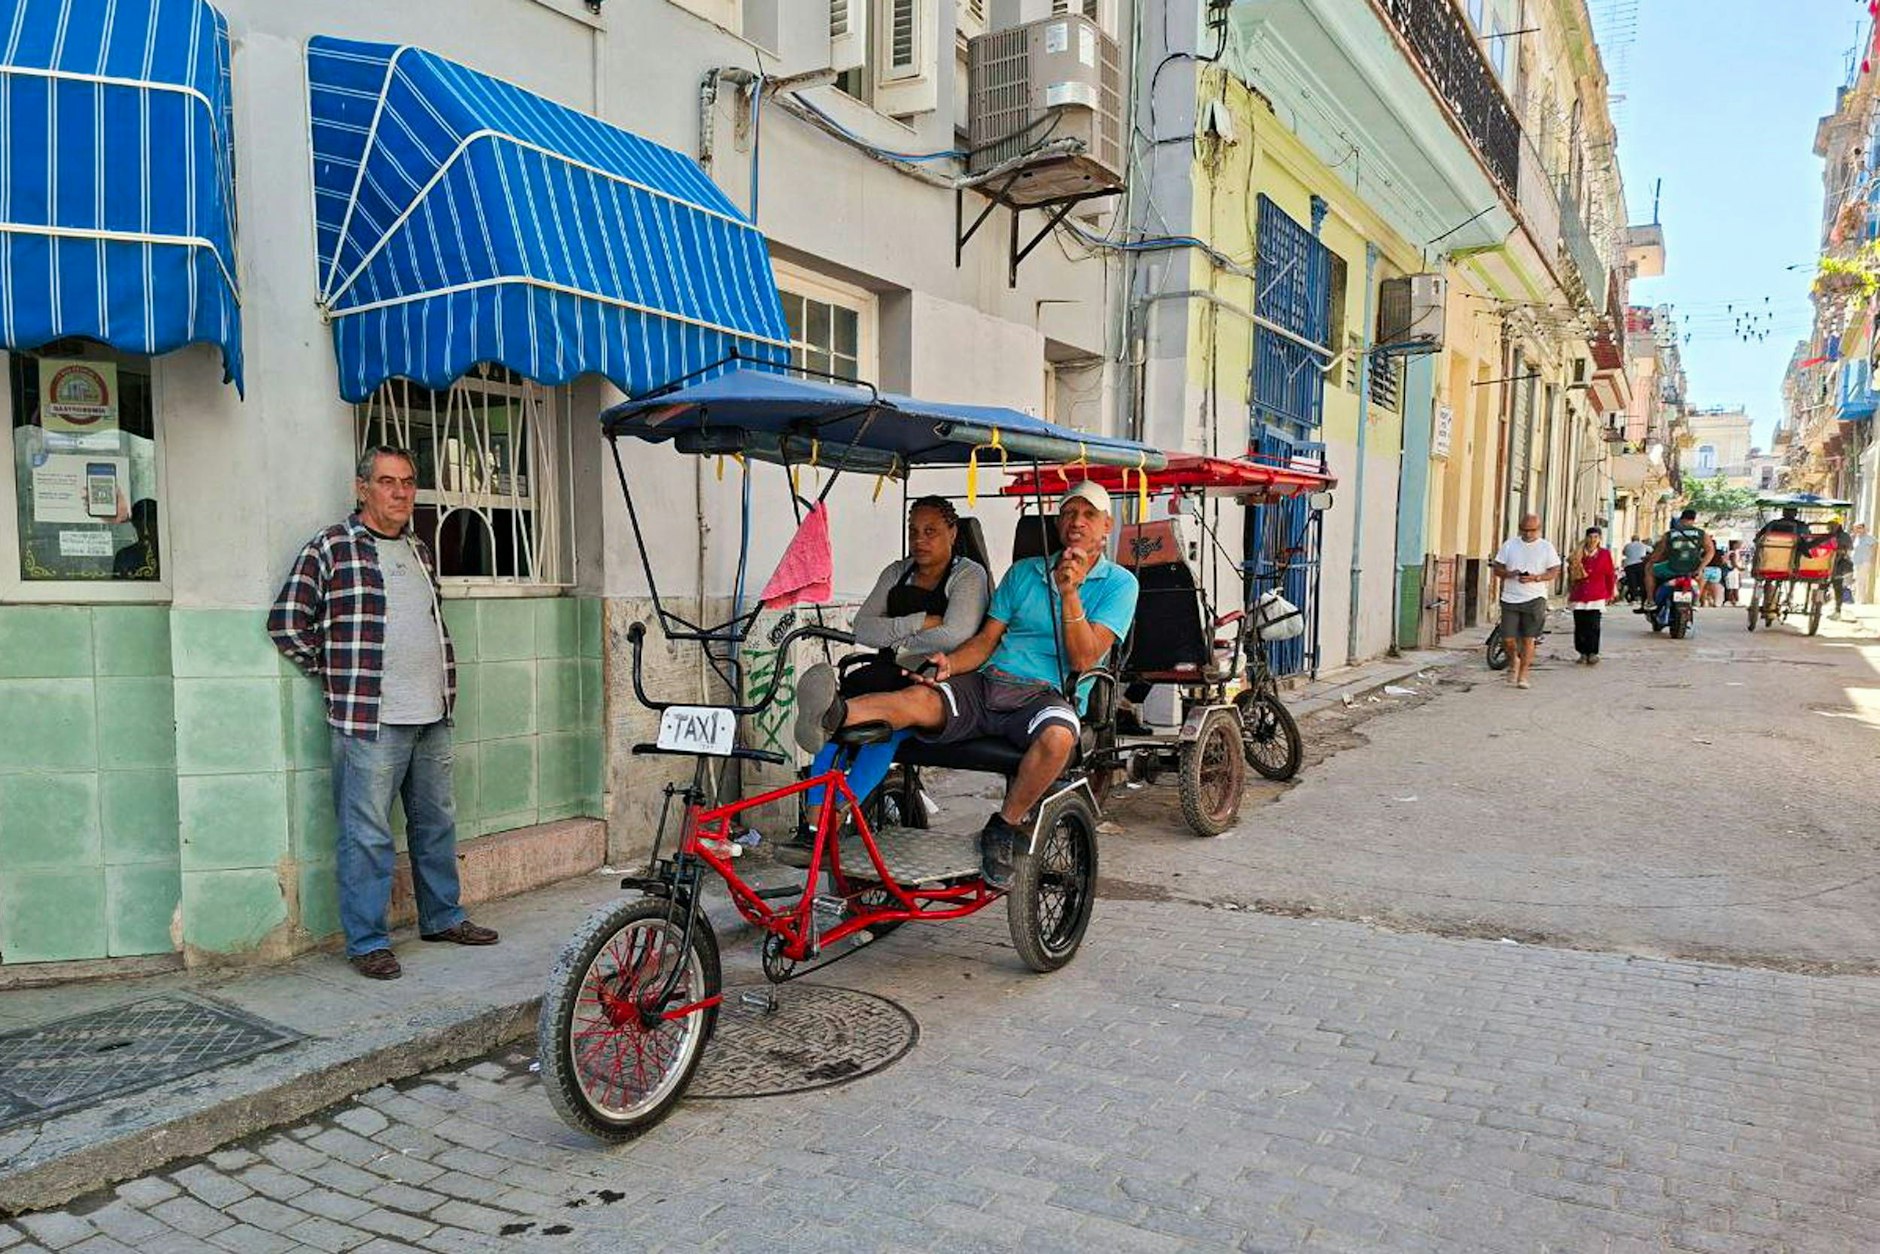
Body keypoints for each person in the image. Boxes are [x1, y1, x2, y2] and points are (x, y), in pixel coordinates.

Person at [794, 481, 1139, 889]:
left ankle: (1005, 824)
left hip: (1045, 694)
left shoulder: (1120, 584)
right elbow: (984, 642)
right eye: (1068, 513)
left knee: (1058, 740)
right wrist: (950, 663)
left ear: (1106, 527)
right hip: (989, 680)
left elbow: (1084, 657)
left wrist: (1069, 593)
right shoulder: (1024, 572)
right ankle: (836, 713)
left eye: (1087, 515)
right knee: (917, 698)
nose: (1075, 522)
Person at [268, 446, 498, 980]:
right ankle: (367, 941)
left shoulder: (418, 549)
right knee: (366, 834)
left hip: (432, 715)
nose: (400, 492)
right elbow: (286, 623)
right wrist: (338, 675)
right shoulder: (331, 548)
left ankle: (442, 917)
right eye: (388, 482)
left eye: (408, 482)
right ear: (362, 488)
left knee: (436, 823)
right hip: (369, 720)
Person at [782, 497, 990, 865]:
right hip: (886, 670)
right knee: (831, 725)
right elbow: (863, 627)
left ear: (952, 533)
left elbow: (956, 634)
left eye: (931, 532)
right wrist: (919, 622)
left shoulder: (968, 575)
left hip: (938, 677)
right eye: (914, 531)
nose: (920, 540)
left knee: (885, 730)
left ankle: (841, 812)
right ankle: (814, 823)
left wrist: (894, 635)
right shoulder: (897, 572)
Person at [1492, 514, 1560, 690]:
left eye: (1532, 530)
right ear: (1520, 529)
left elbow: (1554, 571)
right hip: (1510, 598)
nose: (1528, 534)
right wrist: (1508, 573)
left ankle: (1523, 675)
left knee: (1529, 639)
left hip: (1535, 598)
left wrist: (1536, 578)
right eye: (1525, 530)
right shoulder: (1510, 545)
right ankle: (1513, 660)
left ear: (1539, 529)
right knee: (1508, 638)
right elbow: (1497, 568)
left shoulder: (1546, 547)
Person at [1643, 508, 1715, 616]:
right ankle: (1696, 601)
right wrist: (1700, 568)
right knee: (1702, 576)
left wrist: (1650, 560)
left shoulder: (1670, 534)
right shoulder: (1702, 534)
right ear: (1693, 520)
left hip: (1672, 568)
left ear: (1681, 519)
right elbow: (1710, 552)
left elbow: (1659, 553)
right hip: (1692, 569)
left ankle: (1650, 600)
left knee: (1649, 569)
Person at [1566, 526, 1617, 665]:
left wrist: (1610, 592)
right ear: (1586, 538)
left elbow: (1610, 574)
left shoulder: (1604, 554)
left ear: (1599, 539)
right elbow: (1570, 572)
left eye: (1596, 537)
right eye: (1590, 537)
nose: (1592, 540)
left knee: (1594, 625)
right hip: (1580, 594)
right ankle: (1582, 652)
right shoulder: (1578, 553)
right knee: (1580, 625)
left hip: (1597, 594)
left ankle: (1593, 652)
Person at [1620, 535, 1650, 604]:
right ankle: (1642, 598)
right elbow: (1651, 550)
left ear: (1632, 539)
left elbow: (1624, 553)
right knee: (1641, 582)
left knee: (1632, 582)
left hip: (1629, 565)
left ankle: (1633, 598)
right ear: (1638, 539)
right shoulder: (1643, 545)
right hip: (1640, 564)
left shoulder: (1627, 545)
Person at [1852, 522, 1875, 605]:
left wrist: (1872, 558)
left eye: (1860, 528)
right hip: (1856, 561)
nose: (1858, 530)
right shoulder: (1857, 538)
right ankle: (1857, 598)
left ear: (1864, 528)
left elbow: (1874, 546)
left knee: (1862, 580)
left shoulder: (1868, 538)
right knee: (1857, 580)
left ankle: (1862, 599)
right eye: (1856, 528)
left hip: (1865, 561)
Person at [1721, 539, 1744, 606]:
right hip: (1732, 572)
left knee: (1730, 586)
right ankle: (1734, 600)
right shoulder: (1733, 553)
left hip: (1730, 572)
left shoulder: (1729, 552)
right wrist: (1740, 568)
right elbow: (1734, 563)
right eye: (1738, 544)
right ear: (1734, 545)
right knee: (1733, 587)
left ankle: (1730, 600)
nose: (1740, 545)